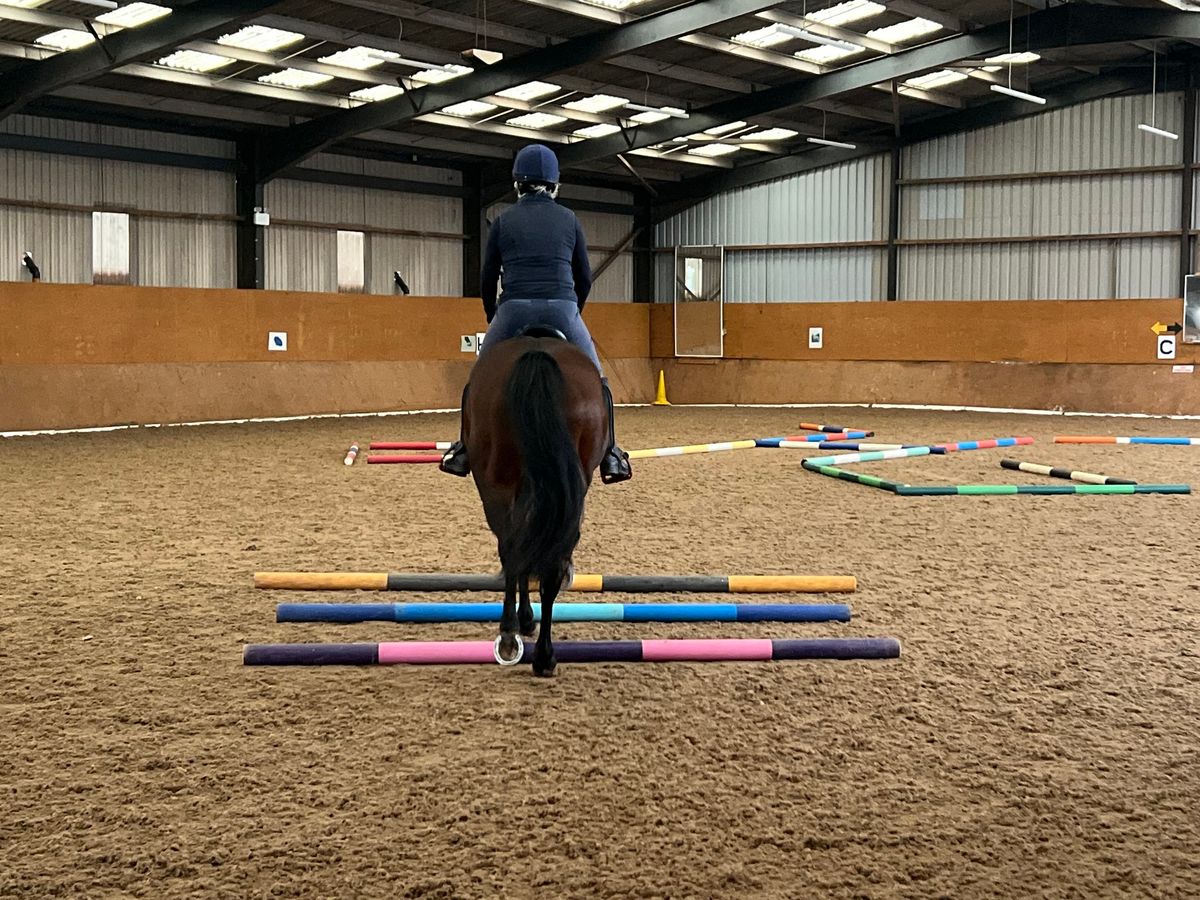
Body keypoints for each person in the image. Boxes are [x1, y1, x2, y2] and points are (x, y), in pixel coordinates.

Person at [440, 143, 632, 484]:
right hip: (562, 308)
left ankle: (464, 450)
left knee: (478, 377)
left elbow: (487, 277)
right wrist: (573, 310)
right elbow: (584, 276)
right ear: (555, 185)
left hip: (513, 309)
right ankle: (612, 454)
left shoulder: (503, 220)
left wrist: (492, 314)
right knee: (599, 379)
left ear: (518, 183)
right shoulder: (570, 219)